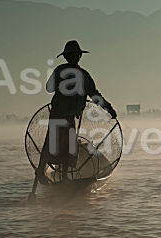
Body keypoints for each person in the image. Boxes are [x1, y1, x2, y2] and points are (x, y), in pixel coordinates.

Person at [37, 40, 117, 183]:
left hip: (63, 115)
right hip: (60, 114)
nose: (74, 57)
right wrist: (108, 108)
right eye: (73, 55)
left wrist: (108, 108)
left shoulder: (64, 71)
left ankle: (61, 176)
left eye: (75, 55)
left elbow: (93, 94)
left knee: (63, 145)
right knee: (57, 144)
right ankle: (53, 175)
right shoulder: (80, 74)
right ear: (77, 57)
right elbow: (93, 94)